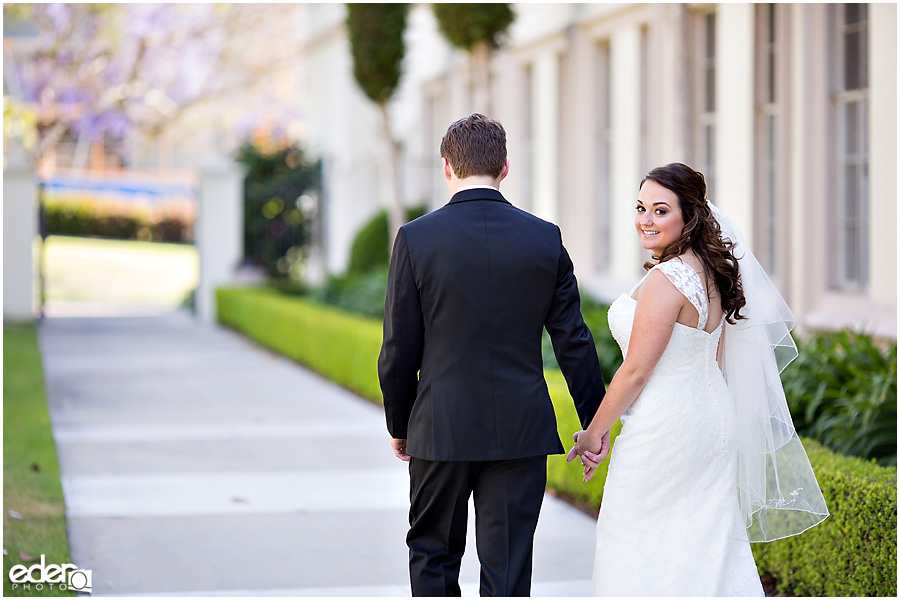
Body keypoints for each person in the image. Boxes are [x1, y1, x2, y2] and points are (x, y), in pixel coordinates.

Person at [568, 162, 829, 596]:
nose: (645, 220)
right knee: (705, 540)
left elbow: (635, 370)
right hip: (710, 417)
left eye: (660, 210)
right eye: (640, 208)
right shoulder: (711, 273)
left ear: (688, 216)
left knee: (632, 536)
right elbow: (719, 356)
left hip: (665, 424)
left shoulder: (667, 279)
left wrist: (594, 432)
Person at [378, 113, 606, 597]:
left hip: (439, 428)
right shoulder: (544, 238)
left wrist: (400, 423)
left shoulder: (416, 239)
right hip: (520, 431)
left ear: (446, 167)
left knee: (433, 556)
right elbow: (573, 339)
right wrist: (595, 423)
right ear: (505, 167)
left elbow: (398, 347)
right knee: (508, 568)